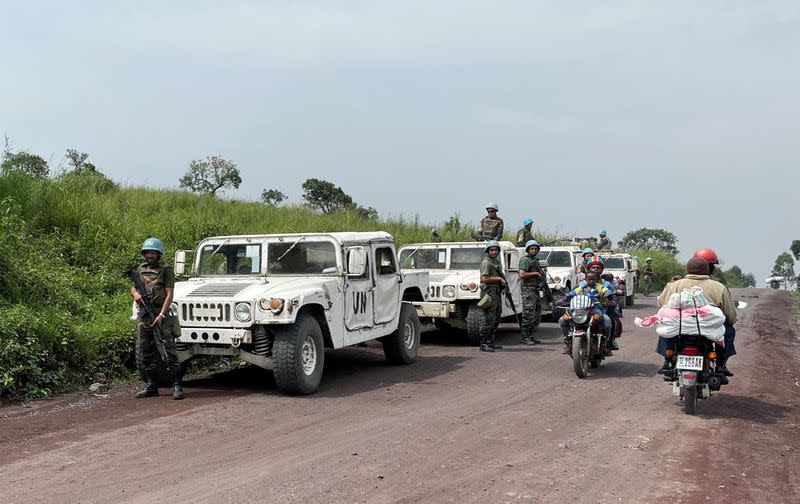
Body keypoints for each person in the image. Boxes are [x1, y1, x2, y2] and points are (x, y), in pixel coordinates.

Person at [655, 251, 737, 376]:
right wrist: (730, 322)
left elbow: (662, 304)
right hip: (707, 330)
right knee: (729, 331)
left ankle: (668, 361)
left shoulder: (675, 285)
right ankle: (721, 365)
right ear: (709, 269)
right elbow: (730, 315)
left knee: (665, 328)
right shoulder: (719, 287)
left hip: (680, 327)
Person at [131, 237, 184, 400]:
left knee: (168, 351)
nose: (150, 255)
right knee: (145, 352)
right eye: (148, 253)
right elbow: (133, 286)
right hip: (144, 315)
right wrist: (136, 295)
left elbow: (169, 295)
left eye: (153, 253)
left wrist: (161, 314)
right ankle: (151, 385)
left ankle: (177, 385)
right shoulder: (141, 268)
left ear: (158, 254)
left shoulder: (166, 270)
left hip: (160, 314)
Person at [559, 272, 615, 354]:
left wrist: (607, 295)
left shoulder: (599, 287)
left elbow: (606, 291)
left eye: (594, 279)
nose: (592, 281)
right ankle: (569, 342)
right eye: (589, 279)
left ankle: (604, 343)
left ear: (597, 279)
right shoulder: (582, 288)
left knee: (606, 320)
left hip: (595, 308)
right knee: (563, 319)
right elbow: (572, 293)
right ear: (586, 279)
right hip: (580, 309)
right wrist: (563, 299)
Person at [479, 240, 506, 352]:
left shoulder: (494, 262)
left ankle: (490, 341)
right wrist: (499, 279)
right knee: (488, 318)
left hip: (496, 292)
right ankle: (483, 343)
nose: (494, 252)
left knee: (496, 318)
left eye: (495, 250)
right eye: (491, 250)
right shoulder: (487, 263)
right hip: (489, 293)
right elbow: (484, 279)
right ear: (488, 251)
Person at [518, 240, 544, 345]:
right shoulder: (525, 260)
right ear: (528, 250)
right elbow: (522, 274)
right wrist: (536, 274)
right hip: (528, 290)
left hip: (535, 290)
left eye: (535, 249)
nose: (534, 251)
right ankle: (525, 337)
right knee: (528, 314)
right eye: (532, 249)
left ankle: (530, 335)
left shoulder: (534, 260)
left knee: (535, 315)